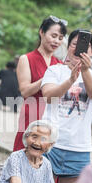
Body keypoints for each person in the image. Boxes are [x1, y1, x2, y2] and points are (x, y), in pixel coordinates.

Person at [41, 29, 92, 183]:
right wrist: (70, 80)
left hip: (79, 147)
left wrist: (84, 72)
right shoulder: (54, 71)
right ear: (68, 47)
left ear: (91, 51)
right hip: (49, 142)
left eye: (85, 46)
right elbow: (48, 96)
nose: (78, 49)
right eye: (75, 44)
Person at [13, 16, 67, 151]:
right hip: (32, 113)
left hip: (53, 117)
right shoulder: (26, 59)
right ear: (41, 32)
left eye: (60, 38)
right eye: (53, 36)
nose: (56, 41)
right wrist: (48, 78)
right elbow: (25, 91)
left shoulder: (60, 64)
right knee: (25, 154)